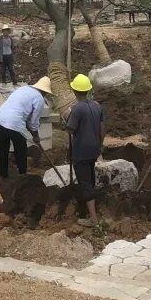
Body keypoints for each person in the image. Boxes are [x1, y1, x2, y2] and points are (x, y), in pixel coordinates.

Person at [0, 76, 54, 178]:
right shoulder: (39, 98)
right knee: (21, 151)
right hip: (15, 123)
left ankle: (3, 176)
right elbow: (33, 122)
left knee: (3, 150)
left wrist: (30, 128)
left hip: (0, 119)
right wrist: (36, 136)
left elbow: (24, 115)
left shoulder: (24, 89)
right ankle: (23, 176)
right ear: (46, 92)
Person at [64, 74, 104, 228]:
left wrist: (67, 117)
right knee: (90, 177)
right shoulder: (97, 106)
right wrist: (100, 145)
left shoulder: (77, 109)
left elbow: (70, 129)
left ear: (74, 91)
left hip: (81, 151)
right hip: (94, 149)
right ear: (88, 90)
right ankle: (89, 208)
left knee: (85, 182)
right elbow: (102, 128)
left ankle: (93, 219)